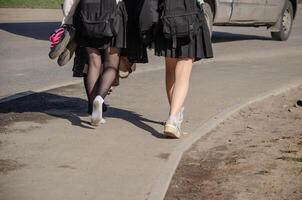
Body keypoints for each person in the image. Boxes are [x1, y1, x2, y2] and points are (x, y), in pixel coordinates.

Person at [62, 0, 127, 126]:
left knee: (93, 62)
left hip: (86, 14)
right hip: (113, 13)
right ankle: (99, 98)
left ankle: (93, 109)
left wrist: (67, 20)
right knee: (111, 65)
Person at [154, 0, 213, 138]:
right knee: (183, 71)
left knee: (170, 69)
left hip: (166, 15)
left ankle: (174, 115)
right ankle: (173, 119)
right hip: (190, 14)